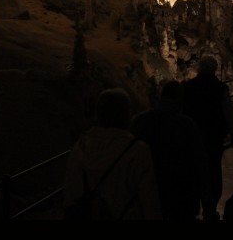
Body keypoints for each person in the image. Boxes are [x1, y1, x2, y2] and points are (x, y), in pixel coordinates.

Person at [64, 88, 161, 220]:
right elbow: (149, 201)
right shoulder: (138, 151)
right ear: (126, 116)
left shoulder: (79, 148)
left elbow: (70, 195)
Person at [131, 81, 211, 220]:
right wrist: (208, 203)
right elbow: (200, 164)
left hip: (147, 193)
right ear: (181, 99)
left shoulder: (139, 121)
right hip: (181, 196)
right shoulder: (187, 125)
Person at [183, 56, 233, 219]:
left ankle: (192, 207)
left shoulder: (188, 87)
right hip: (213, 136)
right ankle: (210, 207)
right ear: (214, 69)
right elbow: (228, 112)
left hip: (193, 136)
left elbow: (183, 110)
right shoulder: (220, 88)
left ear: (199, 68)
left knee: (193, 171)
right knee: (213, 171)